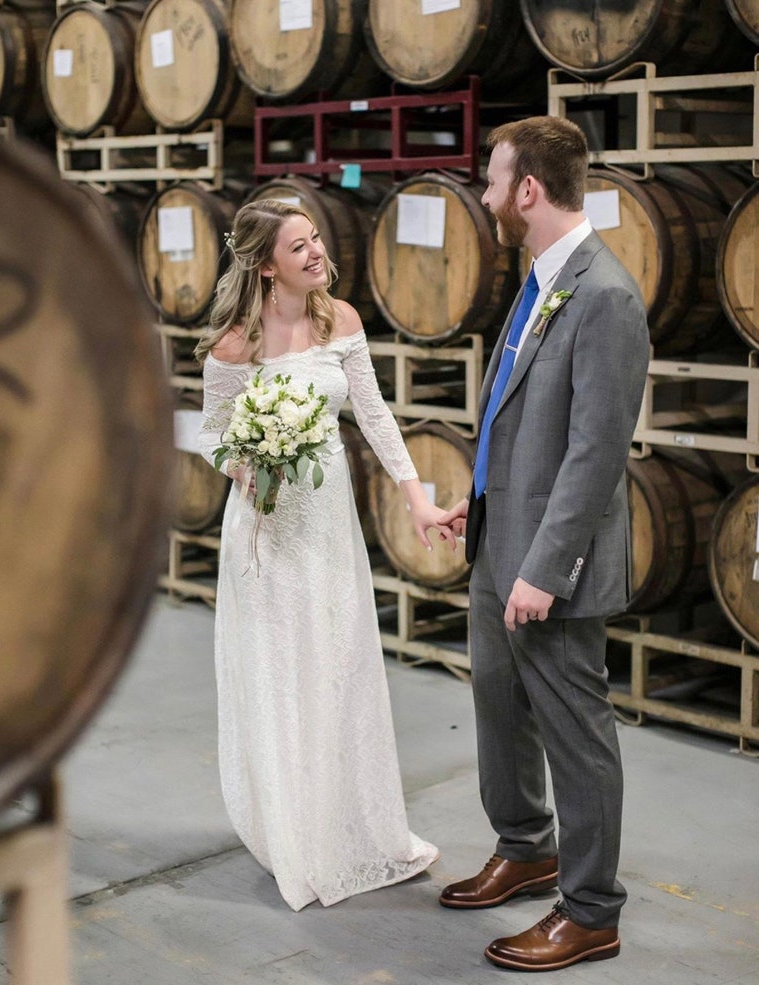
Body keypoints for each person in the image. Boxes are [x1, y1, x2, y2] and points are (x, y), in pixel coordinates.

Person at [195, 198, 453, 911]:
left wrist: (416, 496)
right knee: (282, 673)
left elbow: (372, 414)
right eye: (298, 246)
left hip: (328, 526)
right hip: (268, 532)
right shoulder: (232, 346)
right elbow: (215, 435)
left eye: (315, 239)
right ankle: (295, 837)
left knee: (337, 666)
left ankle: (358, 827)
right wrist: (246, 463)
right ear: (264, 262)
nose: (315, 253)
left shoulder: (340, 321)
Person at [438, 116, 650, 971]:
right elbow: (519, 418)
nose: (484, 196)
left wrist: (546, 567)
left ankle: (592, 906)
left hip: (547, 566)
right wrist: (477, 499)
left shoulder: (604, 295)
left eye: (492, 181)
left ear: (528, 189)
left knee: (575, 726)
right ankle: (525, 843)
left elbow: (596, 453)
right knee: (497, 699)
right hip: (499, 540)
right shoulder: (539, 282)